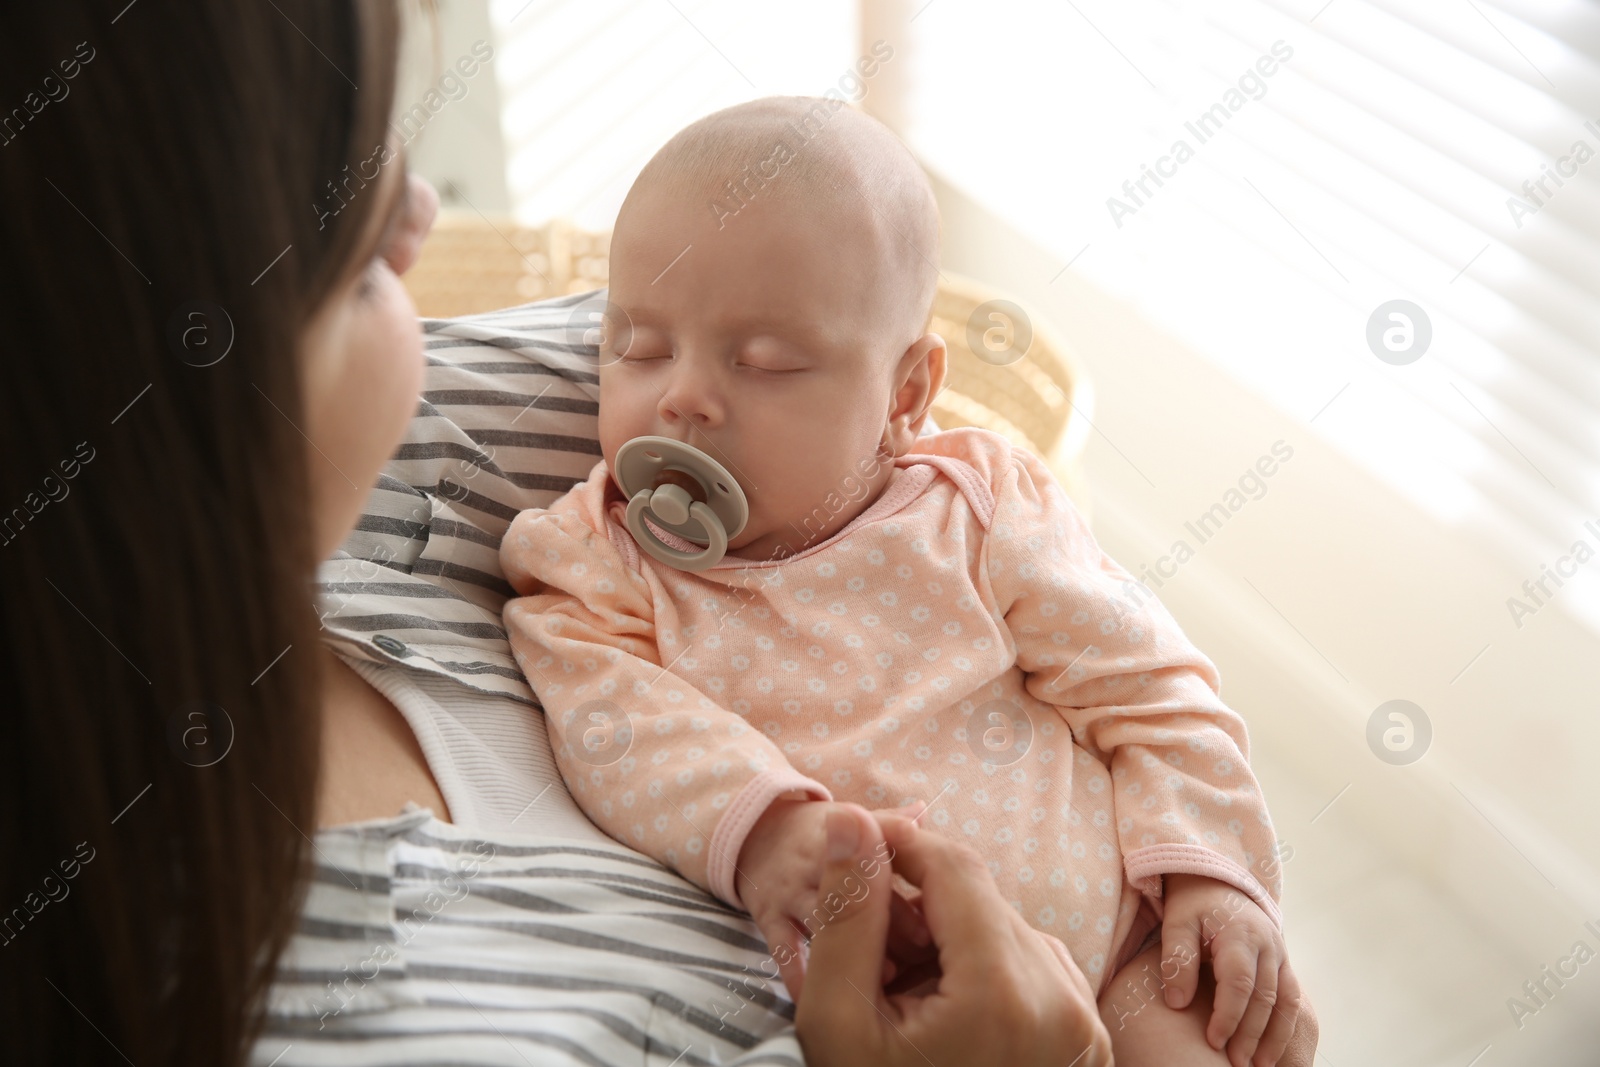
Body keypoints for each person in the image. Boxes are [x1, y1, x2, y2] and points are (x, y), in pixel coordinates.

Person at [0, 3, 1149, 1065]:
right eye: (352, 255)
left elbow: (790, 324)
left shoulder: (457, 421)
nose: (423, 211)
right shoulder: (371, 1009)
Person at [499, 97, 1308, 1065]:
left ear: (905, 395)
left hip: (1130, 952)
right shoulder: (599, 559)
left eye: (764, 362)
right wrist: (762, 830)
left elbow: (1151, 683)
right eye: (636, 345)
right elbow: (606, 711)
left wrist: (1212, 871)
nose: (679, 395)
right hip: (890, 1007)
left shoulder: (977, 507)